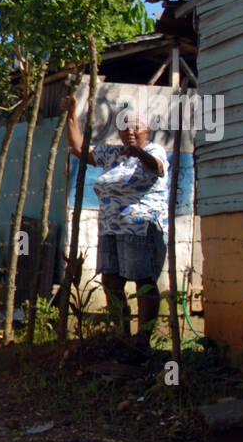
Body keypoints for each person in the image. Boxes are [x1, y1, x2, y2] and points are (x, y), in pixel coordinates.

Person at [64, 94, 170, 351]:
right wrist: (70, 113)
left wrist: (138, 153)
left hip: (140, 227)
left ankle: (143, 340)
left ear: (148, 131)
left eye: (136, 128)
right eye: (125, 128)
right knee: (111, 280)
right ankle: (121, 334)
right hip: (110, 228)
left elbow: (156, 168)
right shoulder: (112, 153)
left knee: (143, 280)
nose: (130, 132)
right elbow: (79, 149)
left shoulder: (154, 150)